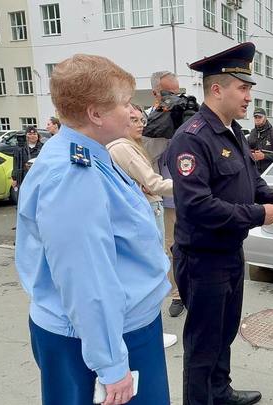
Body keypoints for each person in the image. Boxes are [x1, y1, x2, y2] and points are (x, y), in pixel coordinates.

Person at [14, 54, 171, 405]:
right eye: (126, 103)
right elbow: (85, 279)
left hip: (115, 327)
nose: (134, 112)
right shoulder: (73, 176)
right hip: (97, 338)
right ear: (95, 114)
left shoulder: (89, 154)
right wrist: (111, 364)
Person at [166, 42, 273, 405]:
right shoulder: (192, 138)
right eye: (244, 87)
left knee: (224, 334)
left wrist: (271, 197)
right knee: (203, 344)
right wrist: (258, 214)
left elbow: (250, 179)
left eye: (250, 88)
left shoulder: (232, 131)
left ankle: (220, 393)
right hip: (203, 258)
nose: (250, 96)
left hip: (230, 253)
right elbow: (197, 205)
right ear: (216, 89)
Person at [107, 104, 179, 350]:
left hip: (148, 206)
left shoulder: (127, 146)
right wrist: (192, 184)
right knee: (153, 269)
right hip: (149, 208)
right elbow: (153, 183)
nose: (141, 124)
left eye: (142, 119)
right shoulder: (122, 148)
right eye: (134, 120)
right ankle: (150, 331)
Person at [143, 70, 185, 317]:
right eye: (169, 93)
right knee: (171, 247)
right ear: (156, 94)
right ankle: (177, 293)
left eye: (177, 92)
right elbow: (147, 158)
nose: (174, 98)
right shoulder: (148, 120)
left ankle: (193, 289)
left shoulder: (186, 115)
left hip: (194, 195)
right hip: (167, 197)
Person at [247, 107, 273, 173]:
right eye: (255, 117)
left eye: (260, 117)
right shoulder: (252, 133)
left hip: (269, 173)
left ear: (265, 118)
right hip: (254, 172)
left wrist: (264, 156)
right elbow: (246, 150)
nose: (257, 119)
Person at [11, 126, 43, 191]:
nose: (32, 136)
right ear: (26, 136)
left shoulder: (43, 147)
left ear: (38, 136)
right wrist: (14, 178)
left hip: (39, 177)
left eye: (34, 134)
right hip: (24, 176)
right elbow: (16, 164)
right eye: (30, 134)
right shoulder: (20, 148)